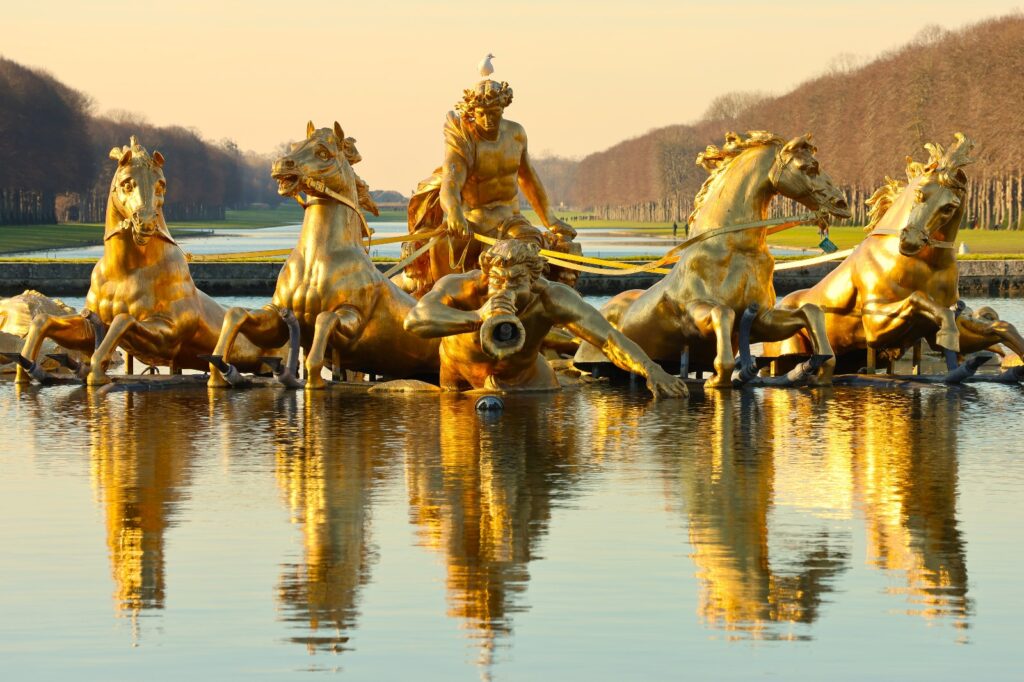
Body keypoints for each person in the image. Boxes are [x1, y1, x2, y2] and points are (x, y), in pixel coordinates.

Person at [403, 239, 687, 398]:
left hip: (526, 381)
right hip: (460, 378)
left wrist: (651, 369)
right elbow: (415, 320)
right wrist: (477, 317)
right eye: (498, 281)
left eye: (517, 282)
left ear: (534, 280)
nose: (506, 290)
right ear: (486, 276)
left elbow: (609, 338)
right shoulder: (460, 287)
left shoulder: (552, 298)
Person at [407, 78, 577, 289]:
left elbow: (528, 178)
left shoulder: (516, 134)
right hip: (472, 223)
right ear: (472, 111)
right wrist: (453, 213)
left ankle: (530, 302)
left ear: (503, 108)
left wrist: (550, 220)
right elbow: (451, 183)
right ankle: (443, 300)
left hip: (510, 220)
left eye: (493, 113)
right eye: (481, 114)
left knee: (526, 249)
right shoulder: (465, 140)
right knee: (442, 245)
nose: (487, 120)